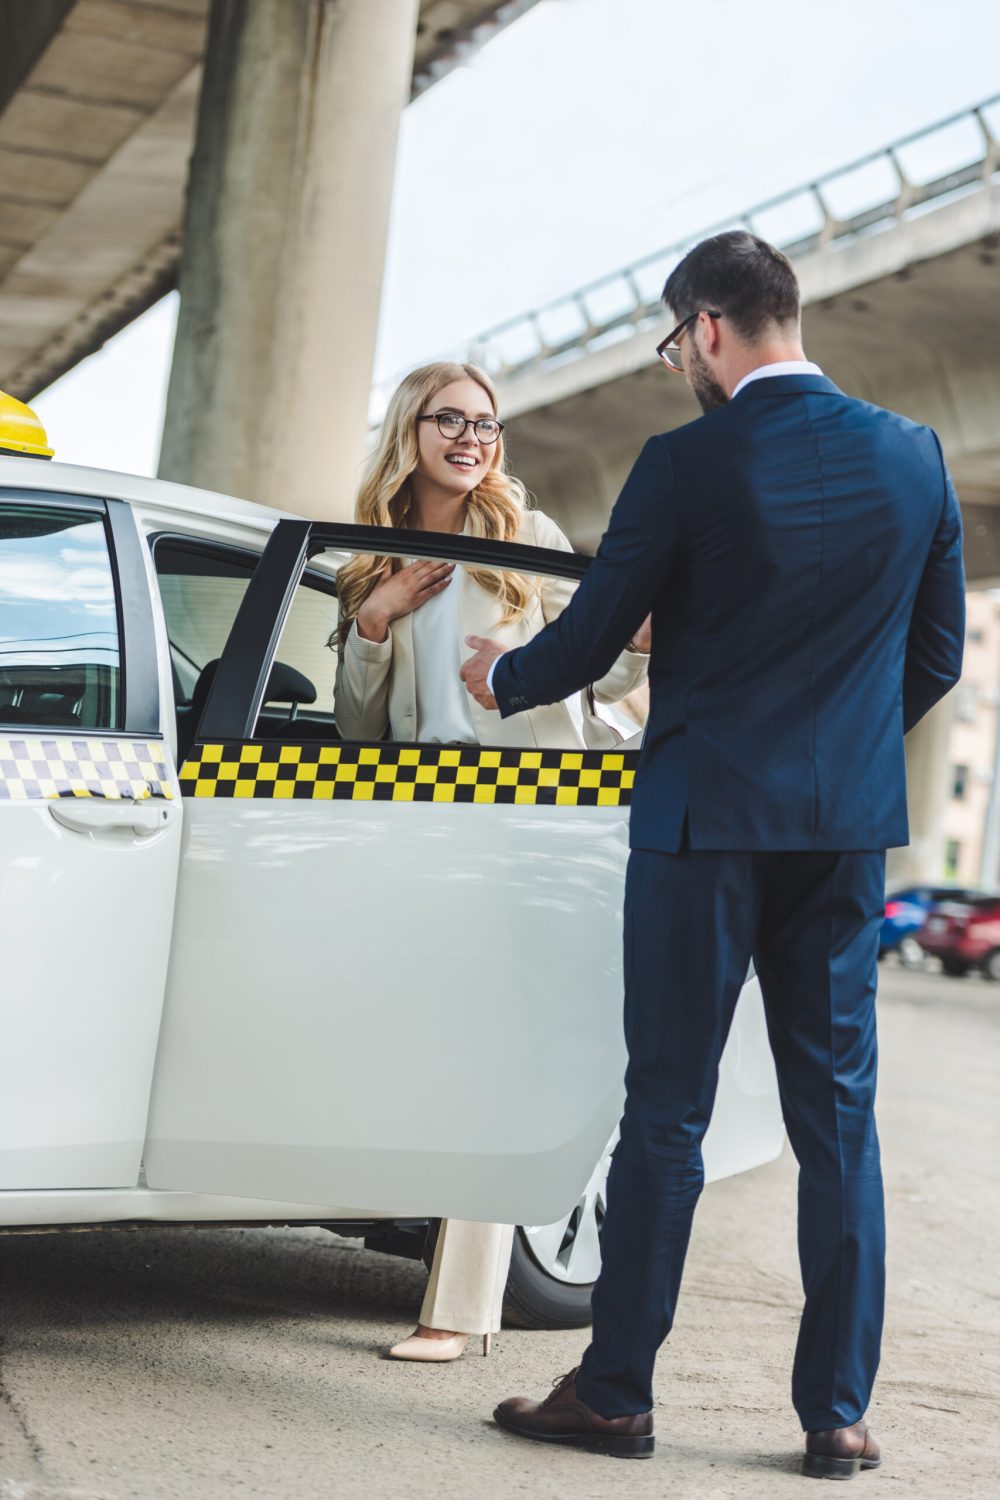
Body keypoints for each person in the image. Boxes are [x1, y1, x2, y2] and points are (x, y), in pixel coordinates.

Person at [462, 231, 965, 1476]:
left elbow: (582, 644)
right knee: (837, 1122)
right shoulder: (915, 456)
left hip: (700, 828)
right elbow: (939, 655)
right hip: (841, 835)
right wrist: (839, 750)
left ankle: (617, 1392)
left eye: (675, 341)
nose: (680, 359)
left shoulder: (685, 462)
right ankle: (836, 1417)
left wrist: (496, 674)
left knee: (667, 1113)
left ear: (705, 330)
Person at [333, 360, 650, 1363]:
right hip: (427, 826)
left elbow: (599, 658)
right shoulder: (369, 558)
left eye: (486, 424)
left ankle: (457, 1312)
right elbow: (358, 729)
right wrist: (374, 623)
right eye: (451, 420)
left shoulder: (529, 541)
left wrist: (637, 641)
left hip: (532, 818)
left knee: (489, 1049)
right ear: (409, 429)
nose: (472, 439)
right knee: (433, 1045)